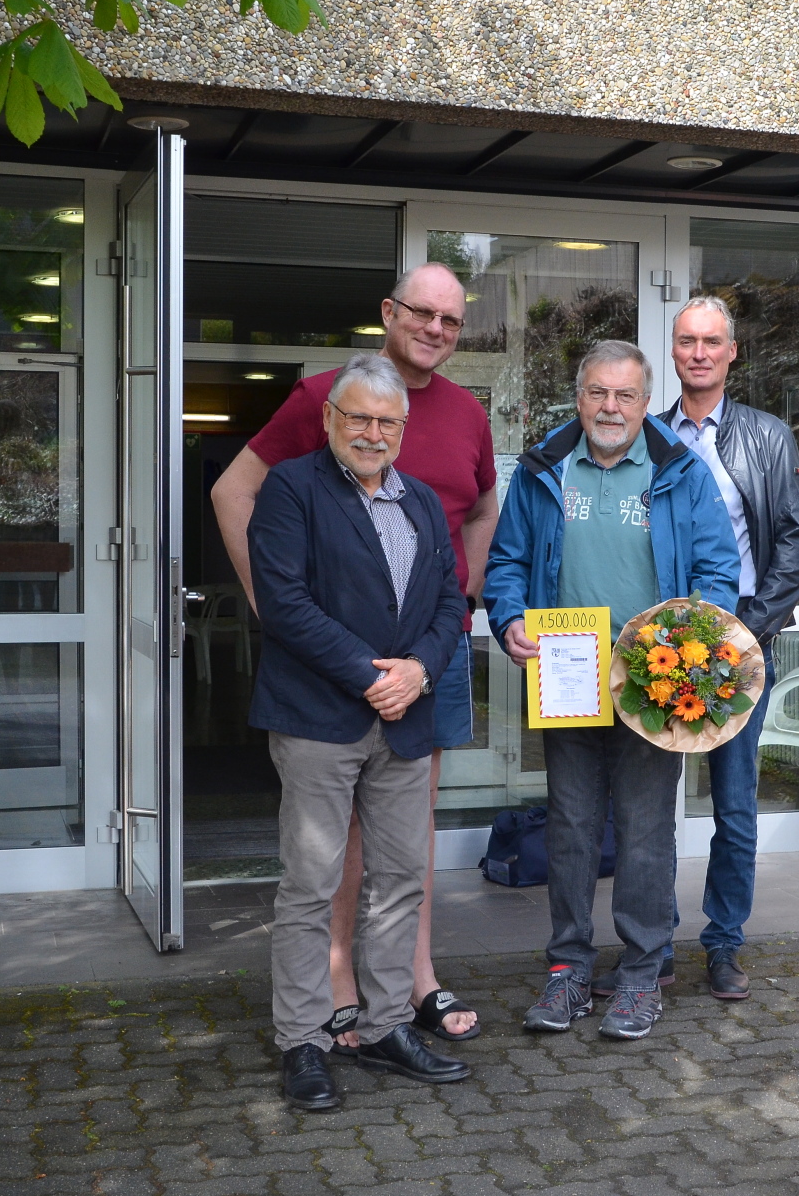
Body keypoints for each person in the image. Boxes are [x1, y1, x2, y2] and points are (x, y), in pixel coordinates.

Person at [210, 261, 496, 1049]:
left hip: (422, 657)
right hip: (334, 667)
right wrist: (280, 611)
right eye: (421, 313)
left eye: (450, 320)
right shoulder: (321, 399)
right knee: (327, 852)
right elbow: (235, 492)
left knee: (406, 841)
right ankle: (333, 982)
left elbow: (478, 513)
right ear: (387, 312)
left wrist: (448, 626)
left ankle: (411, 986)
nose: (434, 329)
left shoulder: (469, 413)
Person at [484, 340, 740, 1041]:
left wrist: (690, 643)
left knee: (646, 831)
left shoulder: (680, 473)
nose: (610, 407)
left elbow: (718, 572)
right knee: (568, 827)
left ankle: (641, 972)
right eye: (598, 392)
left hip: (653, 686)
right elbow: (505, 562)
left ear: (644, 399)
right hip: (567, 679)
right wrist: (507, 619)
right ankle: (567, 970)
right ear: (579, 397)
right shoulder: (542, 469)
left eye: (626, 395)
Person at [246, 353, 471, 1111]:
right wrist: (370, 674)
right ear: (332, 420)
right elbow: (283, 602)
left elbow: (450, 601)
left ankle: (382, 1027)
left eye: (387, 422)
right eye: (360, 418)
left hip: (406, 719)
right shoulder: (291, 488)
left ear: (403, 430)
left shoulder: (422, 504)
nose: (373, 433)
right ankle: (304, 1040)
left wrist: (419, 672)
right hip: (321, 718)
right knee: (310, 885)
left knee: (399, 879)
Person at [647, 295, 799, 1003]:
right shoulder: (647, 436)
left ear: (732, 352)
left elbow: (795, 544)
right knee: (648, 808)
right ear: (674, 350)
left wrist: (749, 628)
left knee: (734, 805)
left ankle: (723, 943)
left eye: (712, 341)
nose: (699, 353)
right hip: (657, 650)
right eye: (687, 340)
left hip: (741, 647)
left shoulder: (767, 437)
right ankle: (649, 943)